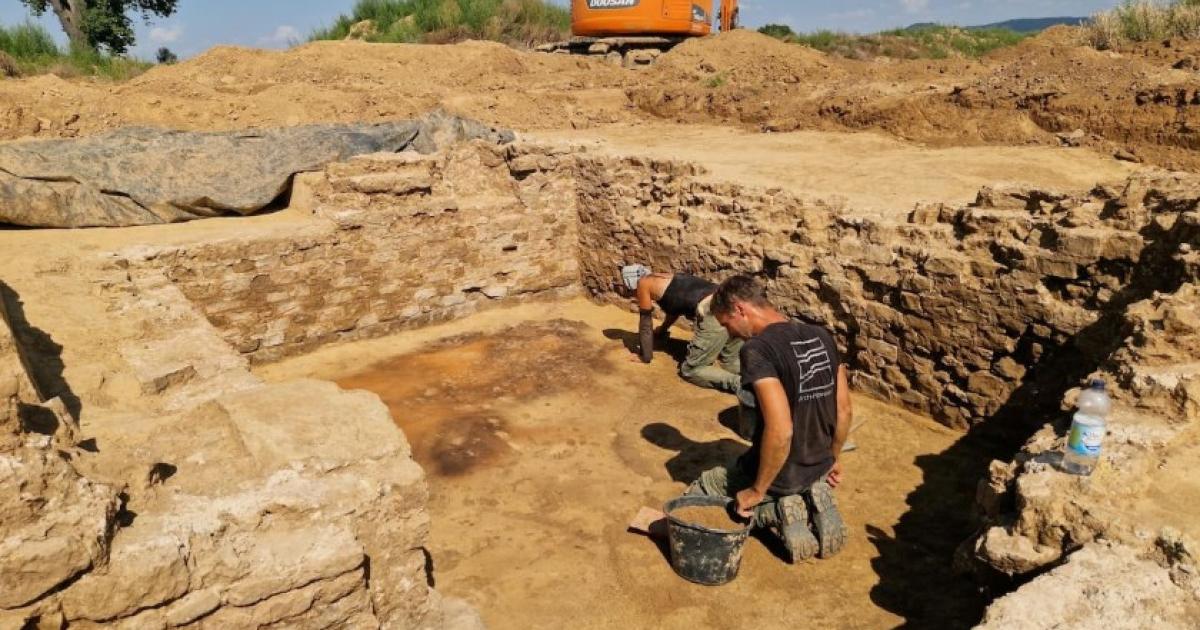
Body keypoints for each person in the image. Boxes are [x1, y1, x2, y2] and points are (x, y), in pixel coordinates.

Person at [684, 274, 852, 562]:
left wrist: (756, 490)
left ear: (740, 309)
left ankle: (774, 511)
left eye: (726, 324)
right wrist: (832, 459)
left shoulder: (758, 350)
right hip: (819, 464)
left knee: (702, 490)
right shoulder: (822, 335)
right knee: (787, 475)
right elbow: (844, 410)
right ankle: (810, 494)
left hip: (782, 476)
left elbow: (781, 429)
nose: (730, 334)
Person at [620, 264, 742, 393]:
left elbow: (645, 324)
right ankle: (754, 377)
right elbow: (674, 308)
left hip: (713, 311)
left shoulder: (642, 283)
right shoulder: (664, 277)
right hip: (731, 303)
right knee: (730, 361)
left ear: (630, 283)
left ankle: (741, 385)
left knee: (691, 370)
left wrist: (645, 356)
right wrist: (663, 329)